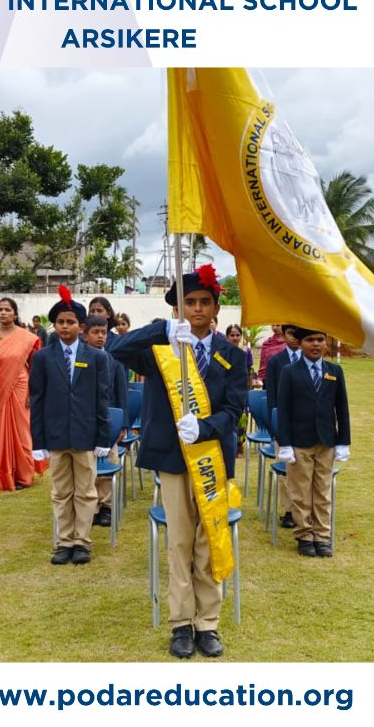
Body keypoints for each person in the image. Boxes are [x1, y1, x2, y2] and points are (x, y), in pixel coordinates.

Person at [110, 265, 247, 659]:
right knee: (180, 541)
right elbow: (115, 349)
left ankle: (208, 623)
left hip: (212, 460)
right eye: (189, 302)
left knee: (209, 541)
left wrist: (205, 427)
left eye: (205, 302)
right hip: (172, 459)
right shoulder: (161, 350)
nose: (197, 308)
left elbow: (234, 409)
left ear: (217, 308)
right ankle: (181, 623)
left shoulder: (232, 355)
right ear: (177, 308)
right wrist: (161, 330)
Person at [29, 285, 110, 566]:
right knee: (61, 491)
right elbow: (37, 401)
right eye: (60, 322)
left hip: (85, 435)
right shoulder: (42, 357)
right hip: (56, 436)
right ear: (54, 325)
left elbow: (102, 399)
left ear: (81, 326)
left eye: (71, 322)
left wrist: (103, 437)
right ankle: (64, 541)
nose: (65, 326)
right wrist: (38, 441)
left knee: (86, 492)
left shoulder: (97, 357)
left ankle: (82, 542)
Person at [277, 327, 351, 558]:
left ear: (326, 343)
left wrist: (343, 441)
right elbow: (283, 410)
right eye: (310, 340)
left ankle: (322, 535)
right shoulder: (290, 372)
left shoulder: (334, 371)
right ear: (300, 343)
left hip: (326, 441)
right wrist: (285, 443)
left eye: (320, 339)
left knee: (323, 491)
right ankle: (304, 535)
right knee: (301, 491)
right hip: (300, 441)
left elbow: (342, 408)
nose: (316, 344)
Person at [0, 298, 47, 492]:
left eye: (7, 309)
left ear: (15, 314)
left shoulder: (28, 338)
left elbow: (36, 367)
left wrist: (33, 393)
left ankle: (24, 476)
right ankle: (4, 474)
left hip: (21, 387)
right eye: (0, 309)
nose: (3, 313)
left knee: (23, 432)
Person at [82, 315, 128, 528]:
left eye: (104, 333)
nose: (100, 336)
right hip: (84, 422)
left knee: (109, 462)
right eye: (95, 332)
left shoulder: (114, 361)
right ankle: (91, 507)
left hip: (109, 423)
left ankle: (107, 506)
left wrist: (123, 424)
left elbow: (121, 393)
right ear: (85, 335)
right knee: (87, 467)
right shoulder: (79, 359)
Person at [265, 324, 301, 528]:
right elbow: (271, 395)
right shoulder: (276, 361)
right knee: (285, 467)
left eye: (298, 334)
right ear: (284, 335)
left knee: (303, 469)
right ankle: (288, 510)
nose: (294, 338)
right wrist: (275, 425)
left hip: (305, 424)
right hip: (283, 424)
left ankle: (304, 508)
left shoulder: (310, 360)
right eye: (290, 334)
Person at [225, 324, 251, 456]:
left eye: (237, 335)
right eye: (232, 335)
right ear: (227, 337)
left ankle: (240, 446)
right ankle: (230, 446)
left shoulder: (246, 352)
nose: (235, 338)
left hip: (242, 390)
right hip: (227, 390)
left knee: (242, 418)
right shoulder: (223, 352)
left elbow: (249, 370)